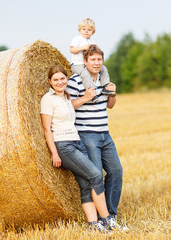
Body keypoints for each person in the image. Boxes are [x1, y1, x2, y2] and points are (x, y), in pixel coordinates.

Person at [40, 65, 120, 232]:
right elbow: (47, 129)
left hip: (77, 142)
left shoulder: (66, 97)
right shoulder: (48, 99)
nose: (60, 82)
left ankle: (93, 225)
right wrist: (55, 153)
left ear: (66, 79)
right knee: (96, 174)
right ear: (49, 81)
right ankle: (107, 219)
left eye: (62, 78)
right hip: (64, 145)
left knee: (85, 185)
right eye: (56, 79)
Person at [66, 45, 126, 230]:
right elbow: (66, 107)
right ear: (85, 62)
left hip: (105, 134)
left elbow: (111, 106)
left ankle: (110, 215)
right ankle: (102, 218)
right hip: (87, 134)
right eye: (92, 59)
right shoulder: (74, 81)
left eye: (99, 59)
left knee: (116, 171)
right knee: (96, 176)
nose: (96, 62)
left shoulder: (103, 79)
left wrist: (112, 94)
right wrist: (85, 97)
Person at [69, 18, 115, 103]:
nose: (86, 31)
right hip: (77, 65)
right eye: (84, 29)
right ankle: (92, 94)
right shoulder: (77, 39)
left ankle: (105, 86)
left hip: (87, 65)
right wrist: (84, 47)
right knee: (85, 74)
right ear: (79, 30)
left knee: (104, 69)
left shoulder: (92, 41)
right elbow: (72, 50)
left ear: (93, 32)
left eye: (89, 30)